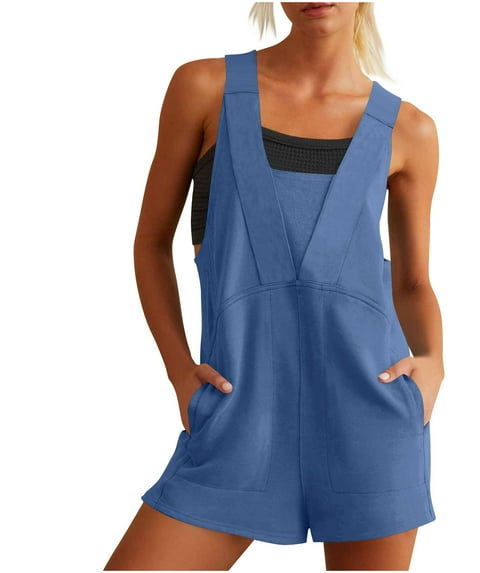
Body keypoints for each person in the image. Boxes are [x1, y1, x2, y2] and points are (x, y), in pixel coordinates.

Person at [104, 2, 444, 570]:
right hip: (238, 413)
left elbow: (412, 282)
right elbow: (151, 244)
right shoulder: (204, 89)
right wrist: (178, 370)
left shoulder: (410, 129)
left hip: (371, 419)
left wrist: (434, 362)